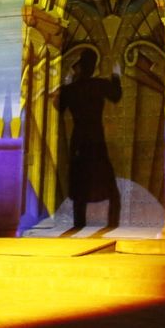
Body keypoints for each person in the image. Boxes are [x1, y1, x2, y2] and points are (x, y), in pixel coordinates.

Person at [56, 51, 122, 232]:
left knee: (79, 183)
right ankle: (113, 223)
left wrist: (66, 83)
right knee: (109, 183)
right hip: (95, 138)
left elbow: (59, 107)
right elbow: (116, 95)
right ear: (93, 67)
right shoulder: (98, 85)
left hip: (78, 139)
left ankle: (79, 224)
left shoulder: (71, 89)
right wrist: (116, 75)